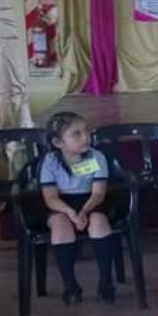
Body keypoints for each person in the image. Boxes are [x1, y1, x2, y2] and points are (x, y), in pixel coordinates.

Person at [40, 112, 118, 305]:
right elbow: (50, 197)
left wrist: (83, 212)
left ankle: (106, 283)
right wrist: (70, 212)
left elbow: (99, 193)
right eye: (76, 134)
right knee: (60, 225)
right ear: (58, 142)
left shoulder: (96, 156)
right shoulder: (50, 161)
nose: (86, 137)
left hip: (91, 201)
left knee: (99, 223)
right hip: (62, 203)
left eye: (86, 132)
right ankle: (71, 286)